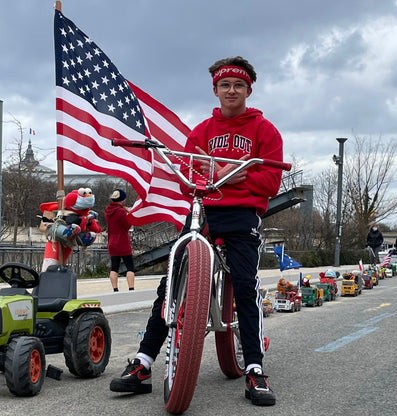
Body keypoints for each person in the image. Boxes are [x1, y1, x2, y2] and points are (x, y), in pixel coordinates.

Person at [109, 56, 283, 407]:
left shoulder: (265, 131)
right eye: (225, 85)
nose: (231, 90)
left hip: (242, 216)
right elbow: (185, 179)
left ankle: (253, 369)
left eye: (238, 85)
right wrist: (201, 176)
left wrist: (234, 174)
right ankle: (143, 364)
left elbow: (272, 181)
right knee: (168, 286)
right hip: (203, 212)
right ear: (216, 90)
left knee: (247, 287)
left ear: (249, 89)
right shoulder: (201, 131)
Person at [104, 189, 135, 291]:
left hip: (112, 242)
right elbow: (127, 225)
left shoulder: (108, 211)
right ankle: (131, 288)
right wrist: (129, 214)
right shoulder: (121, 211)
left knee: (114, 267)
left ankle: (115, 289)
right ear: (122, 200)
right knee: (129, 266)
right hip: (122, 242)